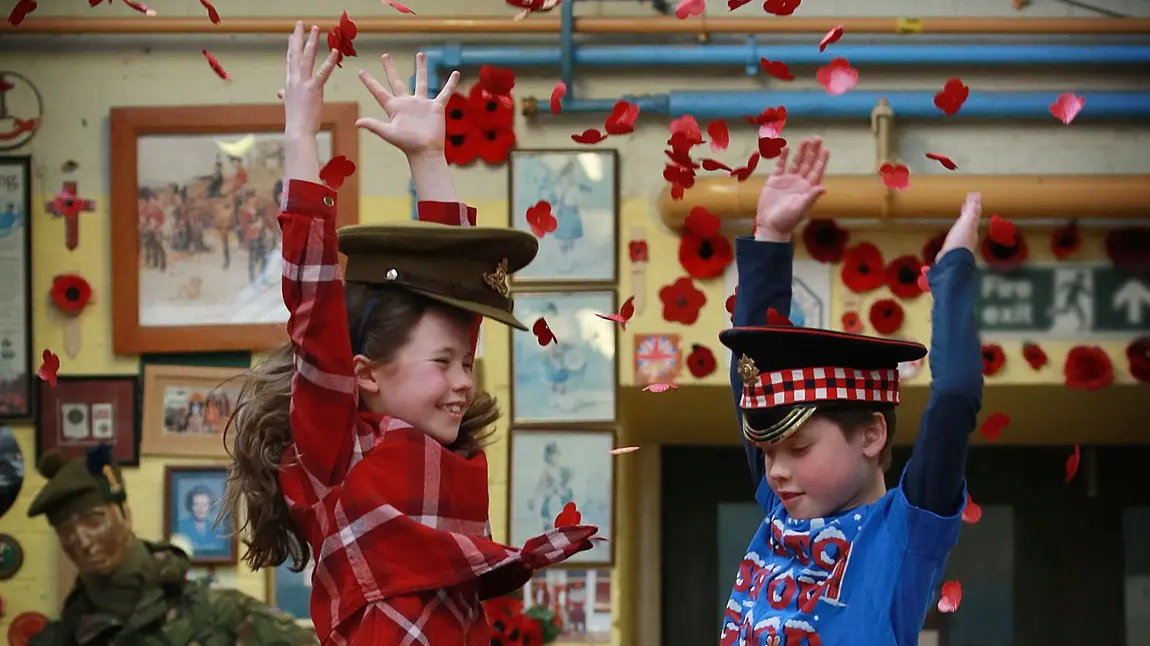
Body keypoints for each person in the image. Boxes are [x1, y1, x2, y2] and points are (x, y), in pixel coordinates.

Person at [220, 22, 597, 646]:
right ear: (363, 373)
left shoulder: (448, 455)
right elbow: (312, 300)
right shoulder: (335, 452)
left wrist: (429, 157)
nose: (462, 384)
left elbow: (465, 295)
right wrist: (298, 137)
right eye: (444, 363)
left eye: (467, 363)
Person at [719, 137, 984, 645]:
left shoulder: (903, 534)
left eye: (798, 448)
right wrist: (769, 235)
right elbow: (751, 375)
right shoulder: (783, 510)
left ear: (871, 435)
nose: (775, 470)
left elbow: (953, 396)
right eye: (768, 451)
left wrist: (952, 273)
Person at [25, 445, 319, 646]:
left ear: (125, 515)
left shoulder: (217, 615)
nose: (83, 540)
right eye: (66, 531)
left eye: (93, 519)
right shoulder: (63, 637)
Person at [175, 484, 229, 556]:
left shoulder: (216, 529)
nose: (200, 509)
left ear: (210, 506)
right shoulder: (181, 527)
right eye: (196, 504)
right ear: (190, 506)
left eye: (204, 505)